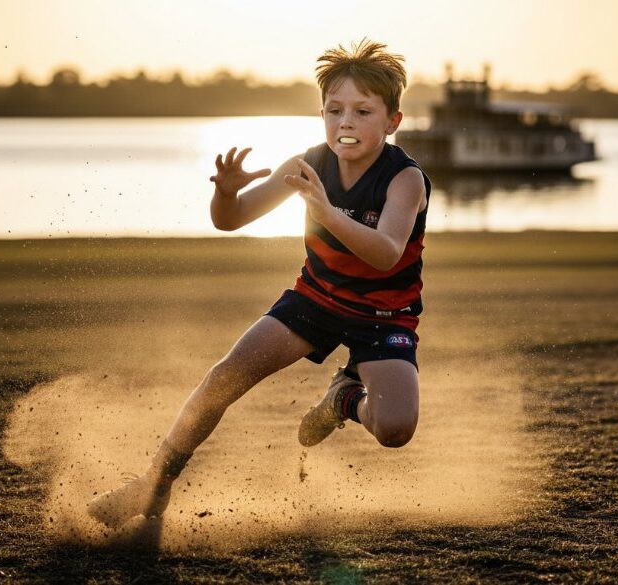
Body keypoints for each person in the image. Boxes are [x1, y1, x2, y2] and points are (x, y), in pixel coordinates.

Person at [88, 39, 431, 530]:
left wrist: (327, 213)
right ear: (321, 115)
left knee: (396, 429)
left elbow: (386, 252)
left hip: (384, 316)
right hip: (314, 300)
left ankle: (344, 399)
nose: (345, 123)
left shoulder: (405, 179)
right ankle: (152, 483)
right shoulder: (305, 165)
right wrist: (225, 194)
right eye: (334, 110)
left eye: (362, 111)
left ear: (392, 121)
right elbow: (231, 220)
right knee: (222, 379)